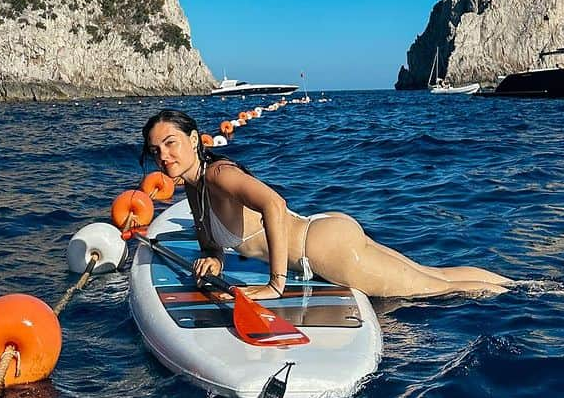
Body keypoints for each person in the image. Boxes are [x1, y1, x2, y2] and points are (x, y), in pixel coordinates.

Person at [140, 109, 516, 301]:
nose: (164, 155)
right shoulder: (193, 188)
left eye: (171, 142)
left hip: (322, 252)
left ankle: (534, 297)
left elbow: (273, 204)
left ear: (193, 139)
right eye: (156, 150)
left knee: (436, 290)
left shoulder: (217, 174)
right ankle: (527, 288)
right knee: (437, 275)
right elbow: (214, 238)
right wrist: (214, 257)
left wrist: (275, 285)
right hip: (325, 234)